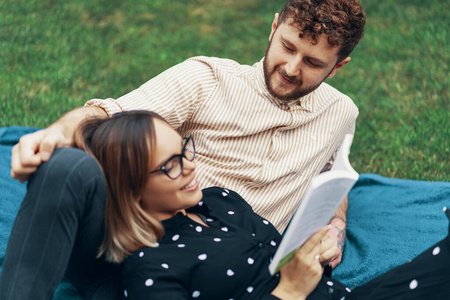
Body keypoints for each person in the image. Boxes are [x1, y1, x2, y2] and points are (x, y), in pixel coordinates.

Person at [2, 0, 367, 298]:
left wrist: (336, 222)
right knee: (67, 166)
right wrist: (54, 133)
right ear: (273, 28)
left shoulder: (339, 113)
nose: (291, 67)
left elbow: (334, 175)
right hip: (134, 241)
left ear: (338, 67)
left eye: (313, 63)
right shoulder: (205, 79)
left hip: (233, 271)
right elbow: (109, 116)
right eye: (287, 47)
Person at [76, 110, 449, 300]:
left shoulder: (219, 200)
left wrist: (309, 255)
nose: (190, 165)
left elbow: (276, 260)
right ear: (130, 189)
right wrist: (289, 291)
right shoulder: (148, 269)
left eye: (184, 148)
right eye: (170, 165)